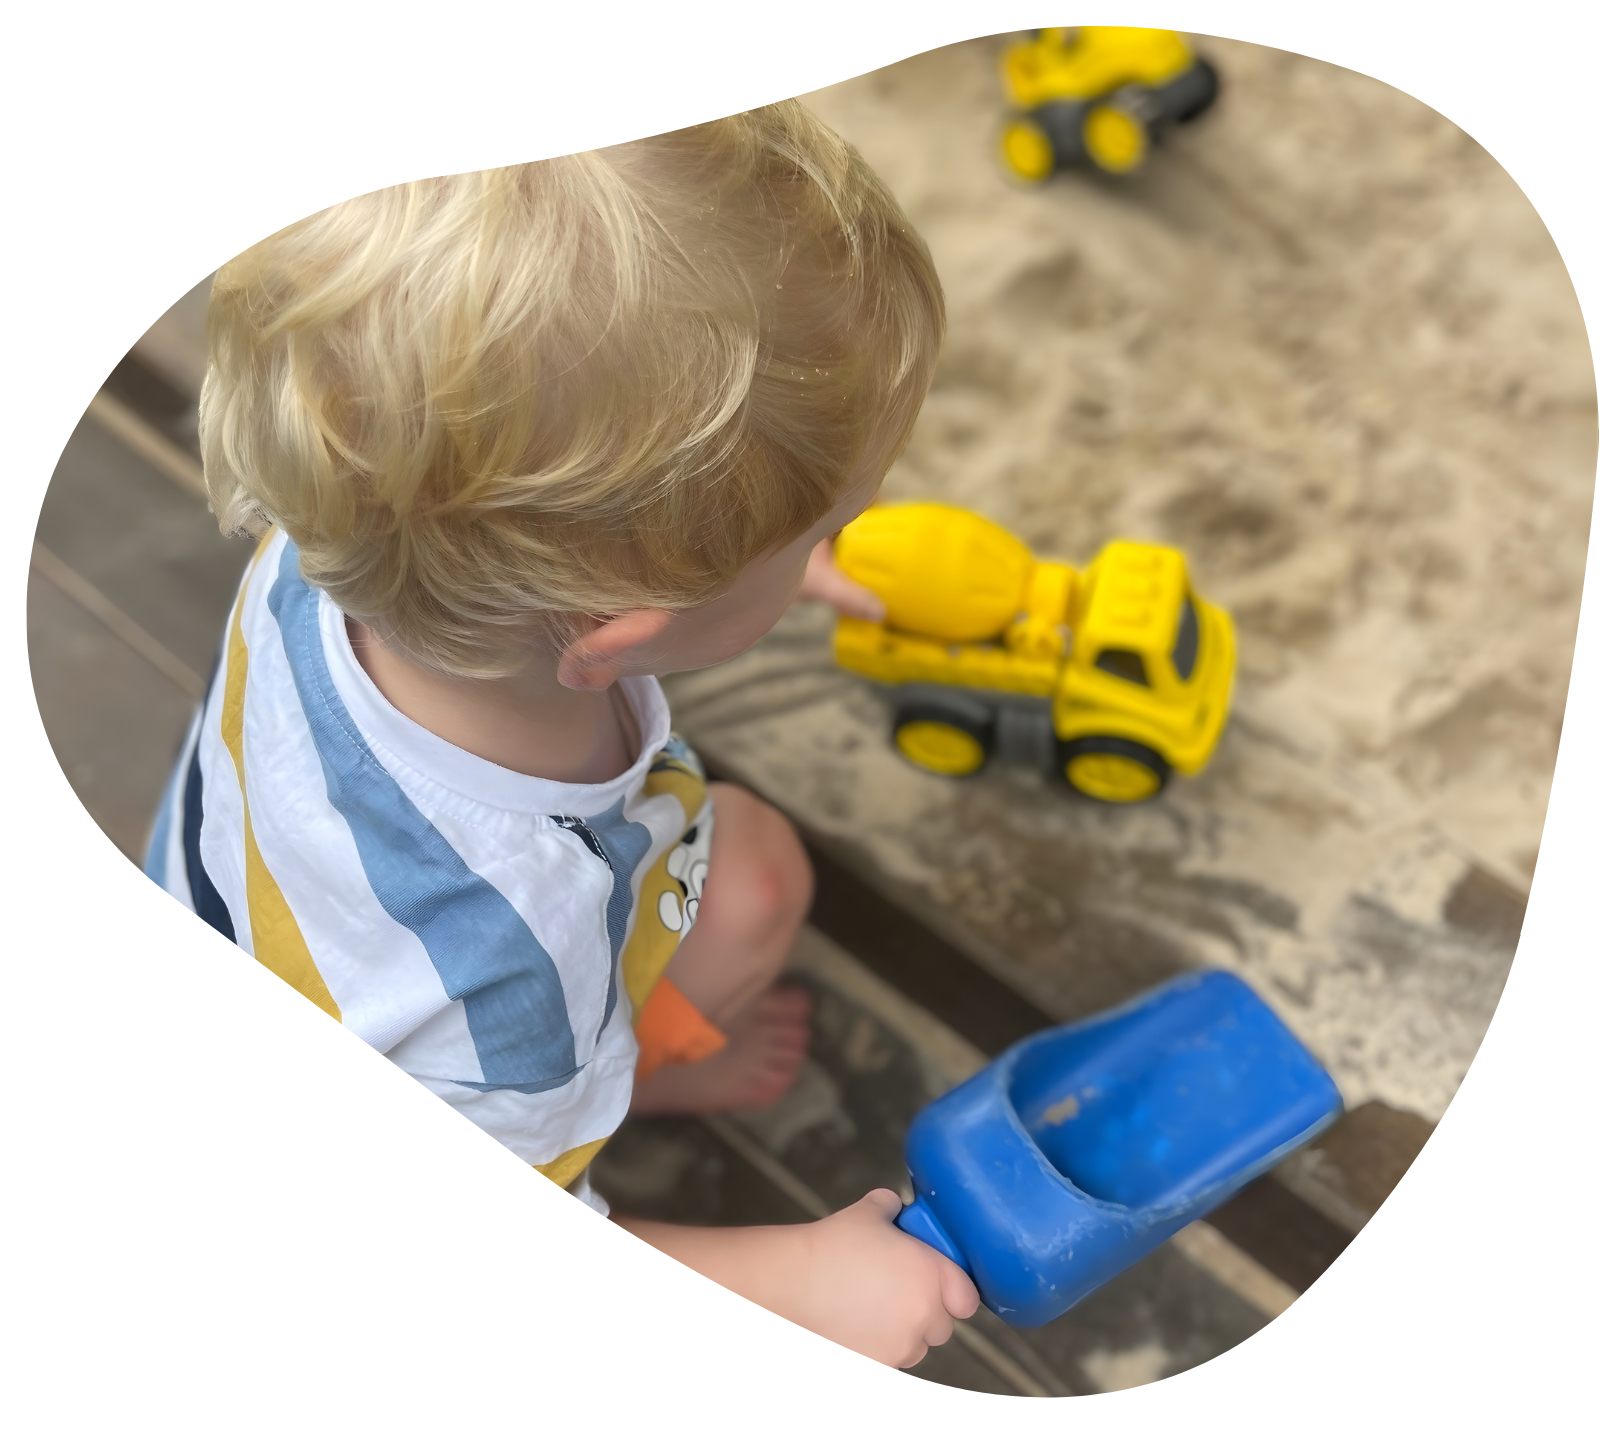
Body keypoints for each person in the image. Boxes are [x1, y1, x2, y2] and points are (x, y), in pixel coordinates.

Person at [143, 105, 978, 1368]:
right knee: (754, 883)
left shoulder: (341, 535)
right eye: (815, 537)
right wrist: (802, 1279)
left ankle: (618, 1077)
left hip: (293, 907)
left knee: (739, 874)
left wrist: (736, 565)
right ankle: (591, 1105)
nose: (834, 549)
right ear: (621, 627)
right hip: (440, 1043)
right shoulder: (497, 976)